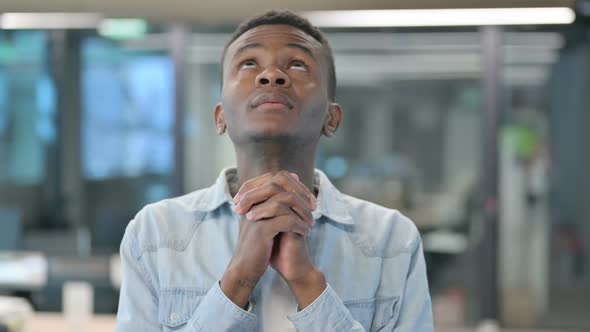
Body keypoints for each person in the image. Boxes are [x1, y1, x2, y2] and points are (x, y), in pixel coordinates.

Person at [116, 9, 433, 332]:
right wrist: (238, 279)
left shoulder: (391, 241)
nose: (271, 76)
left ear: (332, 118)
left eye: (297, 64)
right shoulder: (154, 235)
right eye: (249, 63)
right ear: (220, 116)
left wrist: (308, 283)